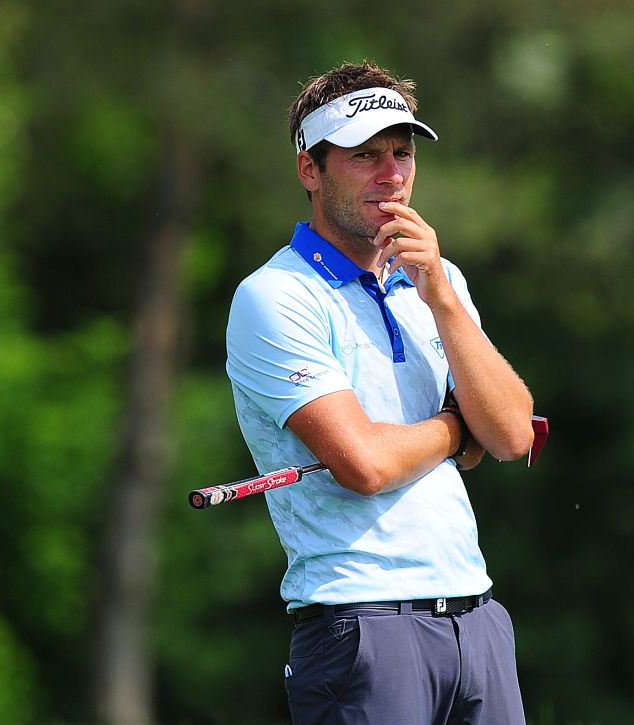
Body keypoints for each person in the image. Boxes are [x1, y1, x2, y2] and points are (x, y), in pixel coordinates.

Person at [225, 60, 535, 724]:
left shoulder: (439, 280)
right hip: (362, 624)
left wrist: (441, 298)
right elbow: (363, 463)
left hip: (477, 616)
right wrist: (457, 429)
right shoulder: (275, 296)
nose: (391, 173)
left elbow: (512, 435)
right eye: (365, 155)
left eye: (402, 152)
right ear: (310, 169)